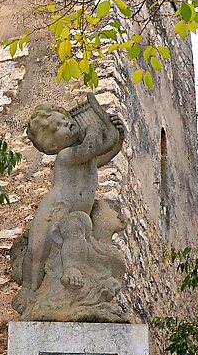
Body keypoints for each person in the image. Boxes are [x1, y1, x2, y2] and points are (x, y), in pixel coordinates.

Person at [13, 102, 123, 314]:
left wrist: (117, 134)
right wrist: (93, 128)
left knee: (74, 232)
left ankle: (71, 270)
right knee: (37, 252)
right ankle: (29, 288)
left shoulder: (87, 158)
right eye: (58, 127)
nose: (67, 123)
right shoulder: (67, 156)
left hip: (73, 216)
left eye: (64, 119)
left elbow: (105, 148)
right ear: (53, 146)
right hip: (54, 211)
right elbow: (91, 147)